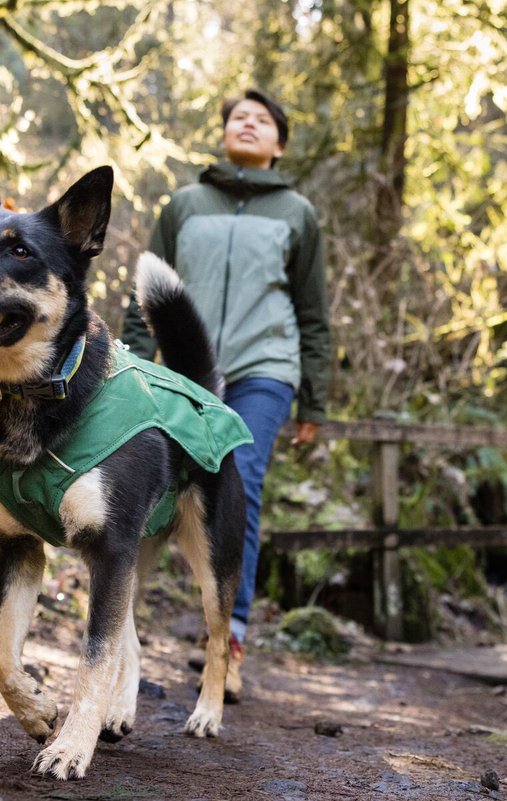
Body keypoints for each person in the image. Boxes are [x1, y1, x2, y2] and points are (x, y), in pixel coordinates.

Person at [122, 89, 330, 701]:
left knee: (241, 476)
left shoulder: (299, 213)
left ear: (280, 143)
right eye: (239, 115)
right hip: (187, 368)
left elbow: (313, 313)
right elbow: (147, 290)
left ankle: (229, 641)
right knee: (160, 484)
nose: (248, 122)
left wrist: (313, 400)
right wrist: (132, 363)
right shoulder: (184, 204)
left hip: (266, 366)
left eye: (262, 119)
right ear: (223, 132)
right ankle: (121, 634)